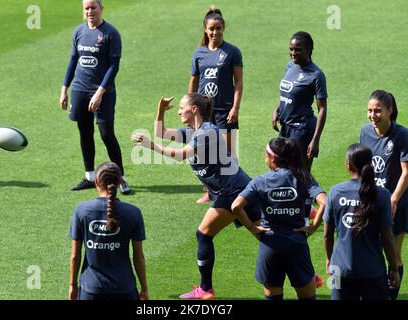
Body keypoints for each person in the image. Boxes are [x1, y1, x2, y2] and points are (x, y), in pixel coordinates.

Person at [133, 94, 260, 299]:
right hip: (238, 187)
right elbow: (161, 132)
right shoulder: (193, 132)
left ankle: (206, 289)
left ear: (194, 110)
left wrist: (151, 147)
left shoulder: (206, 132)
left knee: (204, 234)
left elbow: (182, 154)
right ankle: (307, 275)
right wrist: (160, 110)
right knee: (265, 234)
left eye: (182, 107)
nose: (179, 111)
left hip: (231, 191)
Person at [231, 137, 326, 300]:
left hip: (269, 245)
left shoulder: (260, 181)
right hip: (296, 245)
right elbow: (325, 202)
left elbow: (235, 206)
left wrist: (253, 228)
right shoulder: (304, 177)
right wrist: (314, 226)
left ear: (273, 158)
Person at [59, 0, 130, 194]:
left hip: (103, 93)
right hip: (80, 90)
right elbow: (74, 59)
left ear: (101, 8)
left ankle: (121, 178)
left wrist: (100, 92)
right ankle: (90, 177)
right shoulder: (79, 32)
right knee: (85, 132)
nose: (90, 11)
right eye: (86, 8)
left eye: (93, 7)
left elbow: (114, 66)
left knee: (107, 135)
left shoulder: (110, 34)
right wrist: (65, 88)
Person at [323, 144, 400, 300]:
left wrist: (329, 260)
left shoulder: (335, 192)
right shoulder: (382, 194)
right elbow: (387, 238)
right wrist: (394, 269)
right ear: (371, 164)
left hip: (338, 269)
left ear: (348, 165)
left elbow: (327, 235)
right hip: (373, 271)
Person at [68, 162, 148, 300]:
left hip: (91, 290)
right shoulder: (133, 213)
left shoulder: (81, 211)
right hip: (125, 289)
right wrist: (144, 289)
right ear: (119, 183)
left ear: (96, 182)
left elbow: (75, 256)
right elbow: (138, 257)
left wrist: (73, 286)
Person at [189, 6, 243, 204]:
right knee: (205, 153)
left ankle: (236, 191)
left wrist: (235, 108)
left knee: (229, 152)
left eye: (218, 28)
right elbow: (194, 82)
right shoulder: (199, 53)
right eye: (211, 28)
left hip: (225, 110)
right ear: (205, 29)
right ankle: (211, 191)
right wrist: (189, 107)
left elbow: (238, 83)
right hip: (204, 113)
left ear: (223, 28)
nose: (215, 32)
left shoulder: (232, 52)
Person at [359, 90, 408, 299]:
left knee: (393, 253)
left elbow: (406, 171)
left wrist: (394, 199)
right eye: (370, 110)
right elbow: (361, 168)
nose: (372, 115)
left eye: (377, 111)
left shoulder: (402, 135)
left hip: (397, 202)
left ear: (390, 111)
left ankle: (391, 295)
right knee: (370, 249)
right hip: (371, 200)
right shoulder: (365, 132)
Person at [271, 31, 327, 171]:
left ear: (309, 49)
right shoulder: (290, 66)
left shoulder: (316, 75)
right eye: (291, 49)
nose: (293, 53)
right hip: (285, 128)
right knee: (281, 170)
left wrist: (315, 140)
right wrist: (277, 109)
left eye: (298, 50)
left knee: (300, 174)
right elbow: (289, 93)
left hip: (301, 130)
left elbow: (322, 109)